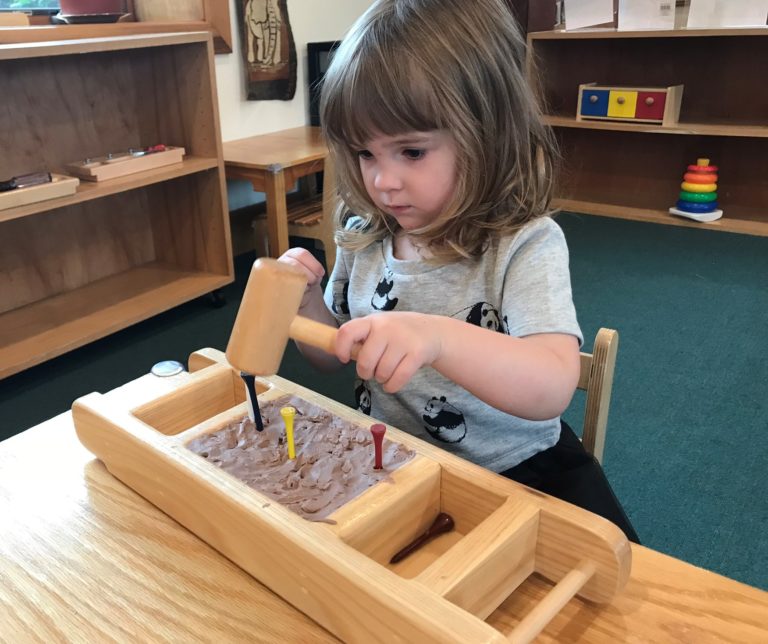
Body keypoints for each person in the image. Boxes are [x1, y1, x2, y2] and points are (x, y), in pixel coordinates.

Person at [278, 0, 638, 542]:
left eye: (412, 151)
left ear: (487, 133)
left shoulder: (524, 244)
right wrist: (306, 306)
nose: (382, 182)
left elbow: (551, 386)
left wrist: (437, 337)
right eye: (365, 154)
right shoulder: (364, 229)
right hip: (396, 463)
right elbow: (332, 353)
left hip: (519, 470)